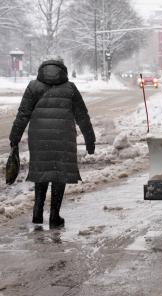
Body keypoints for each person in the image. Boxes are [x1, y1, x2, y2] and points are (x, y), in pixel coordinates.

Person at [9, 57, 95, 228]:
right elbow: (82, 116)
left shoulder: (33, 87)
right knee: (59, 174)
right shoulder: (70, 88)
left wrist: (14, 139)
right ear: (63, 71)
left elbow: (22, 114)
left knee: (42, 172)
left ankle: (37, 212)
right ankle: (54, 216)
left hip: (39, 138)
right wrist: (90, 140)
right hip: (63, 137)